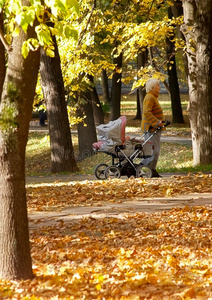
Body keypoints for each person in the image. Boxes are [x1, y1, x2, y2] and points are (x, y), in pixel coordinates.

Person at [141, 78, 164, 178]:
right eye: (158, 85)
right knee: (153, 151)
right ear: (153, 87)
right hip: (151, 128)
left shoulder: (153, 97)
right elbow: (146, 112)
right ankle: (141, 167)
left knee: (155, 150)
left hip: (154, 128)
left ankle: (152, 170)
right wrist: (156, 122)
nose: (159, 87)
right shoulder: (150, 97)